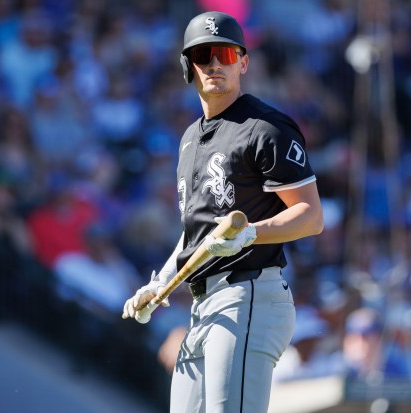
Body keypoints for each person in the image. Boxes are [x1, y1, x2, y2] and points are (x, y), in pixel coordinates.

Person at [122, 11, 323, 413]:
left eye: (227, 55)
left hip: (248, 295)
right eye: (204, 55)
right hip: (202, 306)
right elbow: (199, 232)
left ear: (243, 63)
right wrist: (159, 284)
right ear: (188, 67)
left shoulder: (265, 127)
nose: (216, 64)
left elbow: (310, 216)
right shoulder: (188, 139)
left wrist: (250, 233)